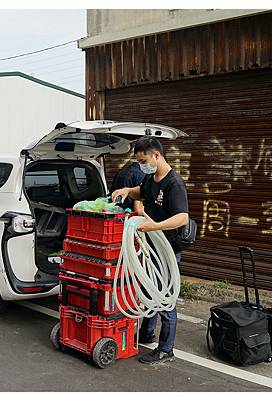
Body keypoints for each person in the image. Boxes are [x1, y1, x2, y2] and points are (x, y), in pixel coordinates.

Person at [111, 137, 189, 365]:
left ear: (156, 155)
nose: (142, 165)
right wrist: (126, 189)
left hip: (167, 250)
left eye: (144, 160)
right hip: (150, 246)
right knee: (149, 291)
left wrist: (155, 226)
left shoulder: (174, 183)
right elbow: (140, 192)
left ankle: (166, 349)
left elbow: (182, 217)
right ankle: (147, 333)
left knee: (165, 298)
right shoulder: (151, 178)